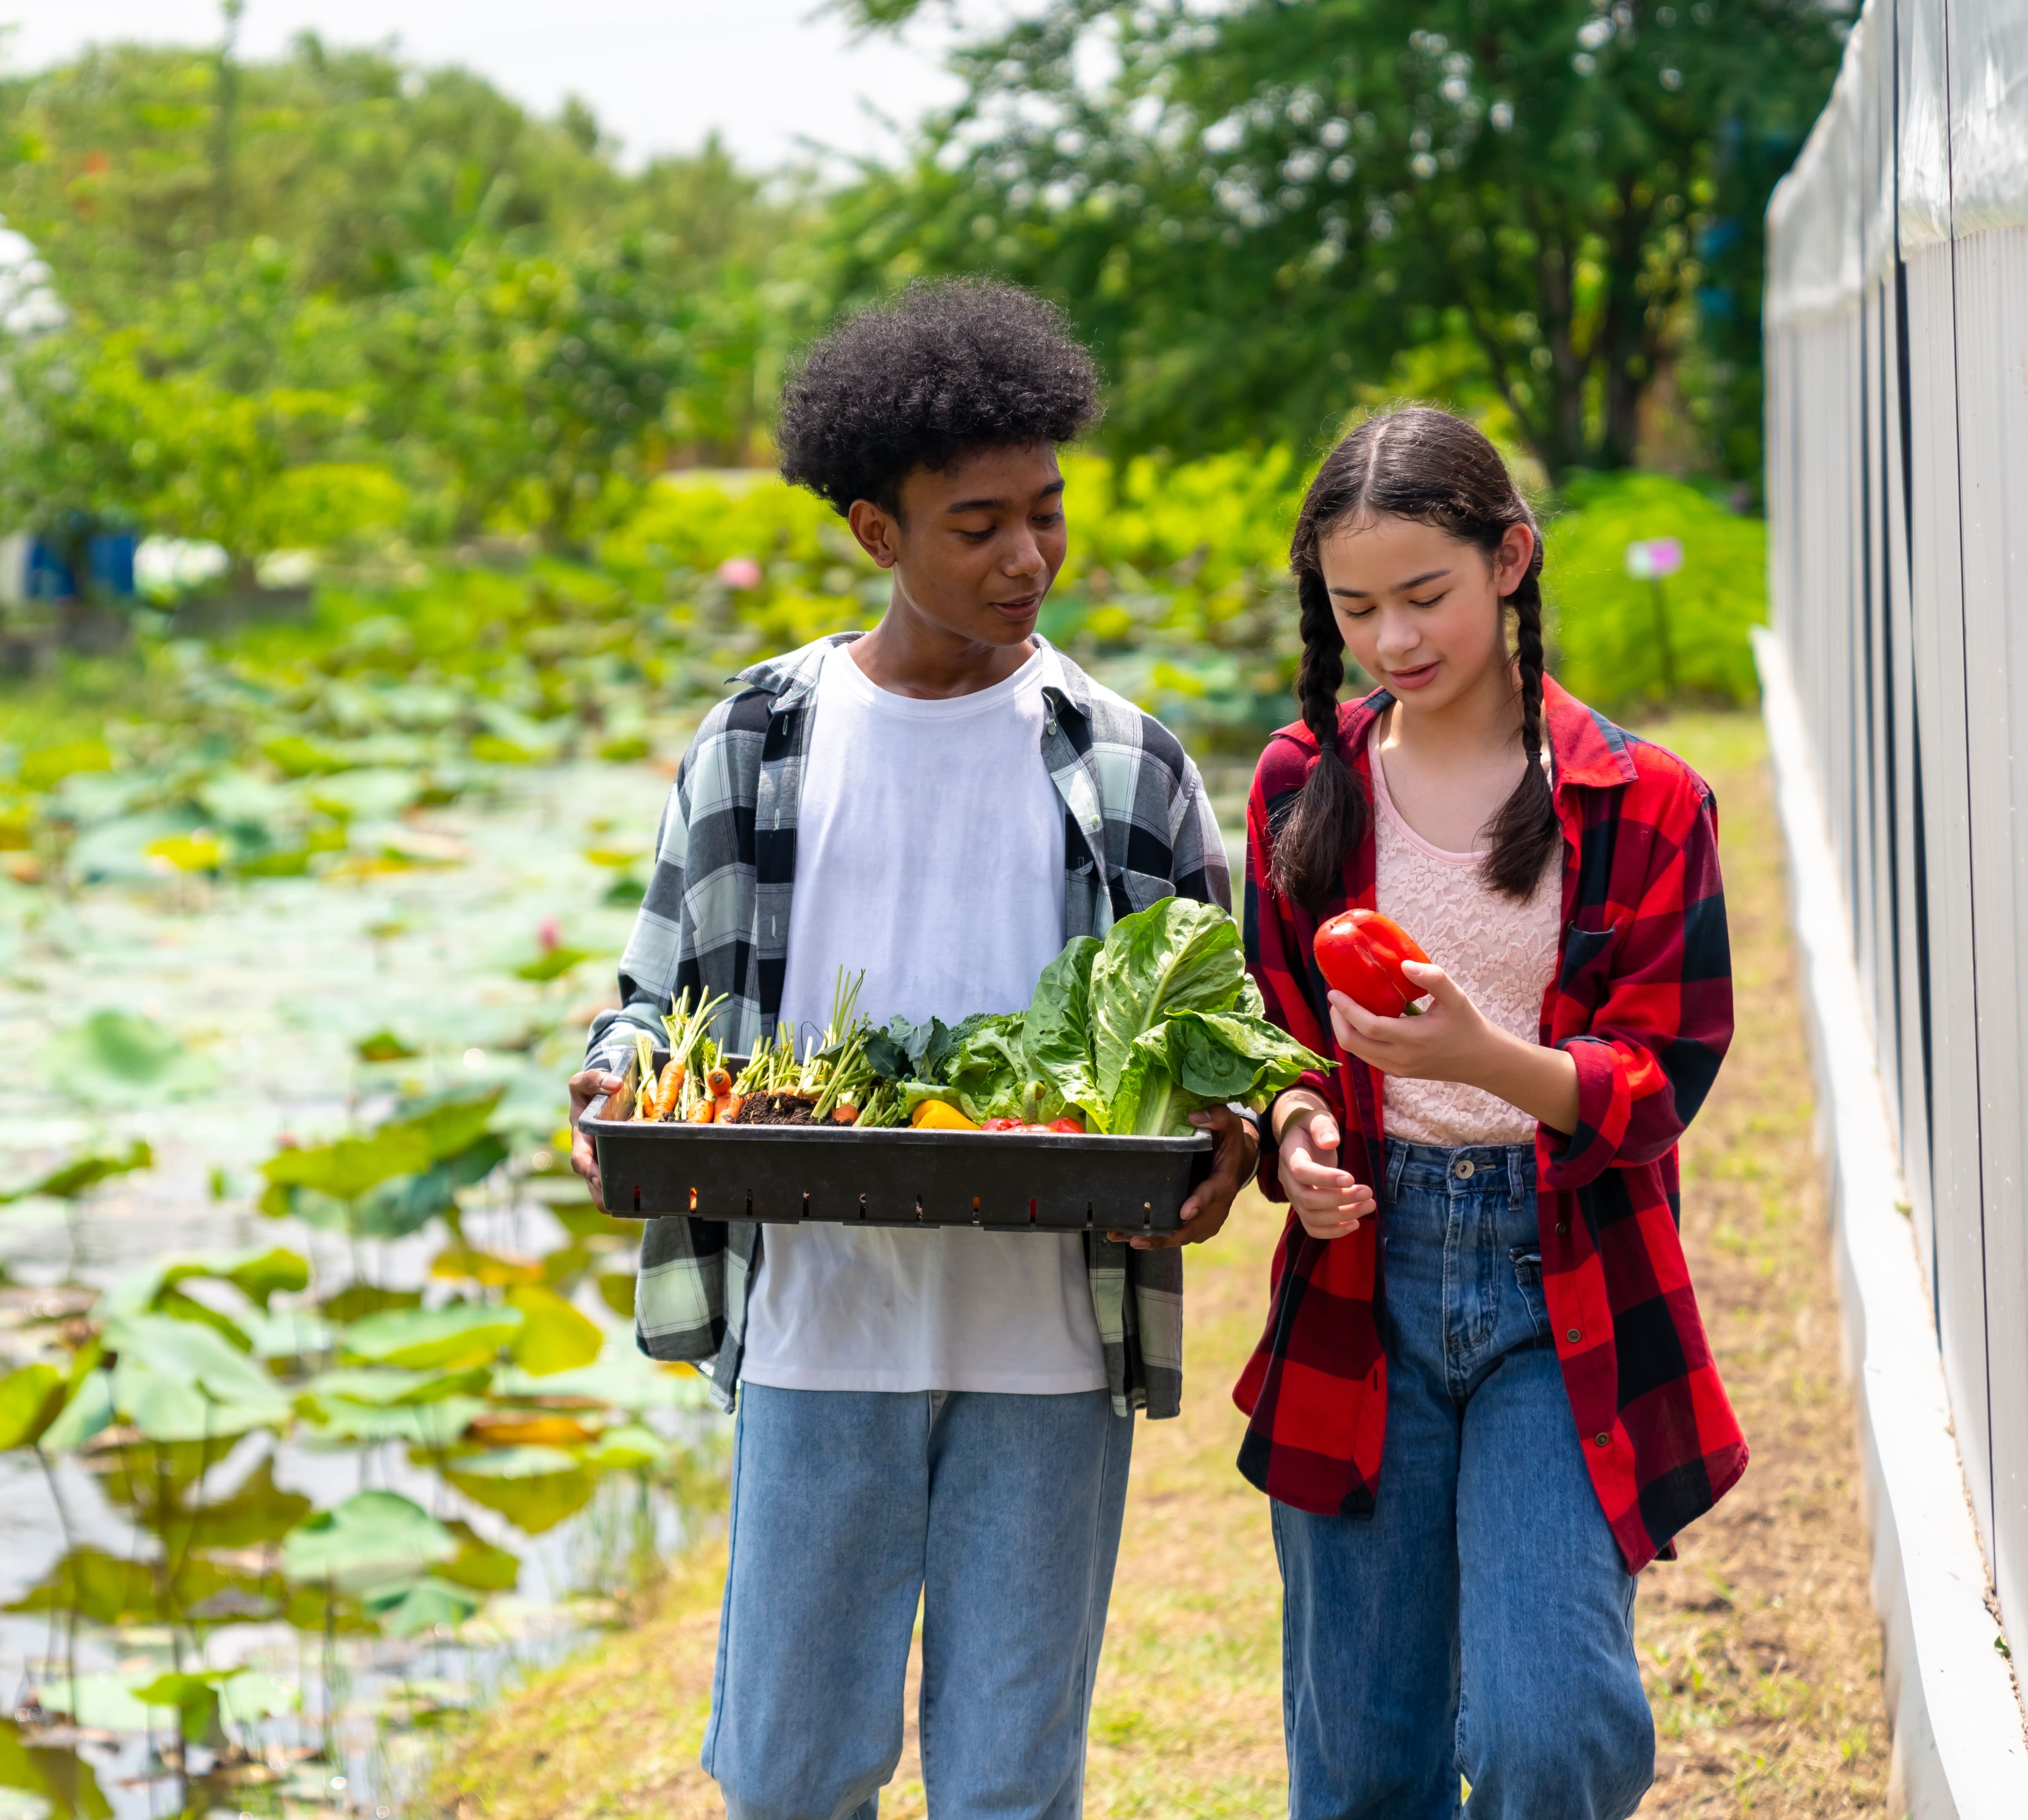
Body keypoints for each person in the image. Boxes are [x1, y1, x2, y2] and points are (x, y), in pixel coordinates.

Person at [567, 279, 1256, 1820]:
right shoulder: (762, 740)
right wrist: (618, 1080)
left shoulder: (1128, 763)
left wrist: (1230, 1137)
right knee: (791, 1774)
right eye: (978, 526)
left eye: (1047, 513)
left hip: (1047, 1339)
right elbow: (653, 993)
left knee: (1012, 1781)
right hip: (821, 1327)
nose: (1029, 558)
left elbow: (1224, 1045)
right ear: (877, 531)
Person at [1231, 406, 1745, 1819]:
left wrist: (1486, 1055)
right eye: (1357, 608)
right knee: (1364, 1759)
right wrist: (1298, 1134)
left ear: (1510, 559)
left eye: (1425, 594)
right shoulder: (1303, 782)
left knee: (1547, 1729)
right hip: (1364, 1270)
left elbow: (1665, 1076)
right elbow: (1274, 1034)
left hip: (1563, 1276)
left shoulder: (1642, 798)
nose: (1394, 638)